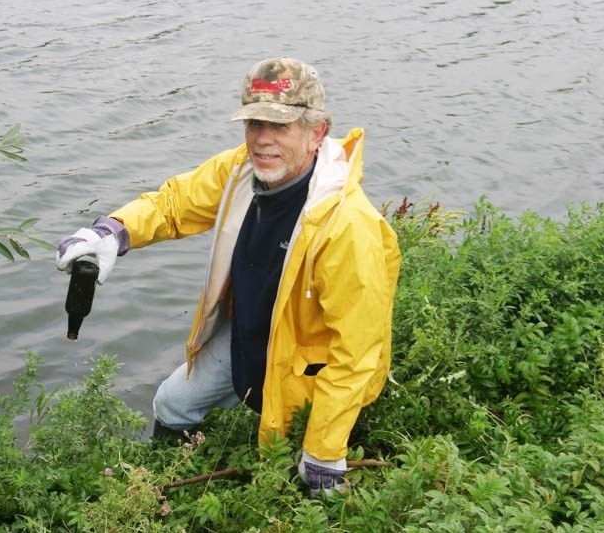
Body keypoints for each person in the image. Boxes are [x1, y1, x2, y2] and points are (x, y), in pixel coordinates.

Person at [56, 57, 401, 497]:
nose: (262, 140)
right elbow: (174, 203)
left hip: (304, 364)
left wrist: (324, 449)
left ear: (317, 131)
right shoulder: (241, 172)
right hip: (249, 333)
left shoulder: (350, 227)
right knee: (172, 404)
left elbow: (356, 353)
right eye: (254, 124)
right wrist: (113, 232)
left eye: (280, 126)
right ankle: (164, 490)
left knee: (298, 486)